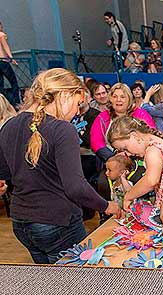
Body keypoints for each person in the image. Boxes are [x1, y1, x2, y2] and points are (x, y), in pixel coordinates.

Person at [0, 68, 121, 264]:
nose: (76, 112)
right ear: (64, 95)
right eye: (77, 104)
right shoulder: (62, 130)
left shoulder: (10, 125)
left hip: (22, 222)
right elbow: (75, 186)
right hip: (57, 221)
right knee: (75, 283)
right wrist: (106, 205)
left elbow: (4, 172)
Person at [108, 116, 163, 212]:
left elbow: (151, 181)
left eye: (125, 148)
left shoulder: (153, 151)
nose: (128, 154)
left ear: (134, 136)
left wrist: (128, 196)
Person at [90, 83, 155, 163]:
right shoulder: (102, 117)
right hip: (110, 160)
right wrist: (115, 160)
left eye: (122, 97)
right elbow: (96, 142)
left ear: (129, 99)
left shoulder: (141, 114)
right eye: (115, 97)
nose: (118, 100)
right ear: (110, 99)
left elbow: (151, 135)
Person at [0, 20, 19, 106]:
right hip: (3, 61)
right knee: (13, 82)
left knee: (1, 85)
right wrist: (11, 58)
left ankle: (3, 105)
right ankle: (16, 102)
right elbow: (5, 47)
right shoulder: (1, 35)